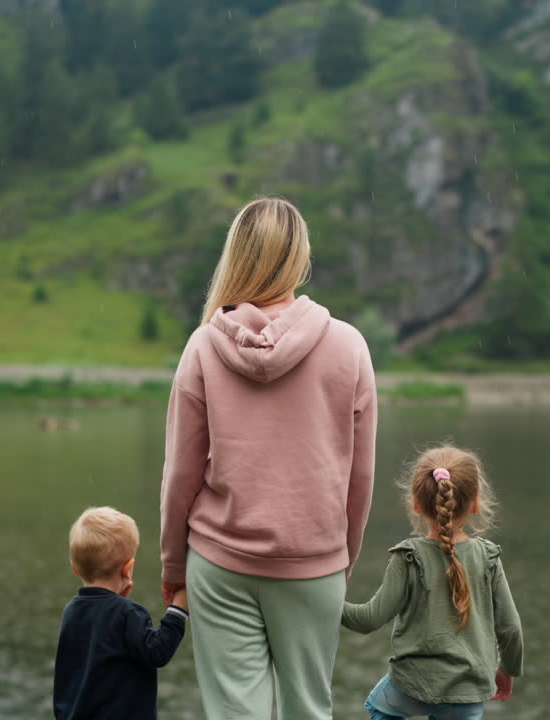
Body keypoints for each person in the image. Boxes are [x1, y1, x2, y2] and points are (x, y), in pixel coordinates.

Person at [159, 196, 378, 719]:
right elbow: (360, 475)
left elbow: (180, 475)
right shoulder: (349, 346)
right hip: (314, 564)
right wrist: (339, 557)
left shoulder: (203, 346)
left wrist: (173, 568)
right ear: (299, 258)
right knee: (308, 710)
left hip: (218, 561)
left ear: (238, 255)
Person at [342, 446, 524, 720]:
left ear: (415, 503)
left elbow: (368, 619)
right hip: (468, 689)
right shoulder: (488, 558)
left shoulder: (409, 557)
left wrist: (327, 601)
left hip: (410, 684)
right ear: (475, 503)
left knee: (379, 708)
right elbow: (510, 629)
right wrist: (507, 670)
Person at [54, 506, 189, 720]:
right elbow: (158, 652)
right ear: (128, 569)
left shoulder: (71, 611)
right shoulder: (128, 613)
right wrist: (180, 604)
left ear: (76, 569)